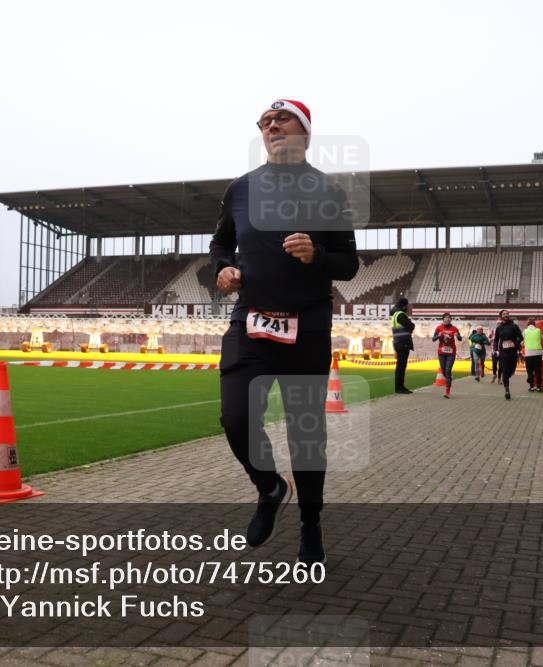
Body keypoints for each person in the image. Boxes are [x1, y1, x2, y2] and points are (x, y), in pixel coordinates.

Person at [211, 99, 359, 565]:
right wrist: (224, 268)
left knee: (305, 435)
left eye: (282, 119)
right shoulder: (241, 189)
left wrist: (317, 254)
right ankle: (270, 488)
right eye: (265, 122)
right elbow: (220, 242)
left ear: (305, 131)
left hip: (308, 325)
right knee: (236, 418)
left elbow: (350, 264)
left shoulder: (329, 191)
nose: (272, 125)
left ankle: (311, 524)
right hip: (250, 321)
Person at [492, 309, 524, 400]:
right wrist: (495, 349)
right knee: (505, 370)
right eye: (504, 314)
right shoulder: (499, 328)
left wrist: (515, 342)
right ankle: (507, 390)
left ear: (509, 315)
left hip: (513, 352)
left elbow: (521, 337)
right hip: (503, 352)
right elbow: (495, 340)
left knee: (512, 370)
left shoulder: (514, 326)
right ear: (501, 316)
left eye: (507, 313)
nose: (505, 315)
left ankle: (506, 377)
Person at [431, 313, 462, 398]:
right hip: (441, 352)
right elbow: (433, 339)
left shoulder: (454, 328)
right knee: (444, 371)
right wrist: (438, 335)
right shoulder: (439, 328)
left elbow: (460, 339)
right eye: (446, 318)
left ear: (451, 319)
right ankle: (449, 378)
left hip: (451, 353)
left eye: (449, 318)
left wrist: (457, 336)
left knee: (448, 370)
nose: (448, 319)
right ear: (443, 319)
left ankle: (447, 392)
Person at [390, 297, 415, 394]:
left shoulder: (395, 314)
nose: (408, 307)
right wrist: (411, 327)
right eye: (407, 305)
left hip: (398, 342)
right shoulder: (401, 315)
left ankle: (399, 387)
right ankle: (400, 388)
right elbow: (411, 326)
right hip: (403, 342)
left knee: (400, 367)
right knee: (401, 367)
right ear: (404, 306)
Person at [523, 318, 543, 392]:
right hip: (538, 353)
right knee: (538, 370)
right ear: (535, 324)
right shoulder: (538, 330)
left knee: (529, 371)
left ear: (528, 325)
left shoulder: (525, 331)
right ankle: (538, 387)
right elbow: (542, 338)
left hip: (528, 353)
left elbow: (523, 340)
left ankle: (531, 387)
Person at [489, 319, 502, 383]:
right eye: (498, 323)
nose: (499, 324)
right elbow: (489, 338)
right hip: (494, 350)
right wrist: (491, 339)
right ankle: (494, 374)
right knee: (494, 364)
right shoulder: (493, 330)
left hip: (502, 350)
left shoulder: (504, 330)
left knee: (501, 365)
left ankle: (499, 378)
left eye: (500, 323)